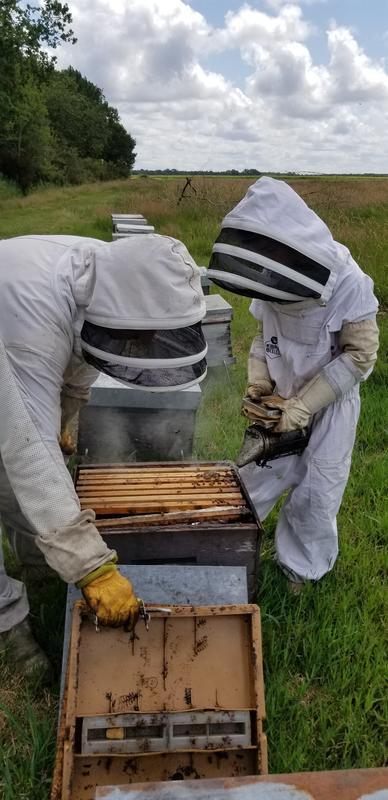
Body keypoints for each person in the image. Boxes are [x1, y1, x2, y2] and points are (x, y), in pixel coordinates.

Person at [0, 233, 207, 672]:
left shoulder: (106, 276)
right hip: (11, 330)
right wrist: (93, 568)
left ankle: (41, 570)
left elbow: (77, 365)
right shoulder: (31, 319)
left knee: (24, 485)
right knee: (22, 466)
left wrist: (63, 418)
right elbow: (26, 445)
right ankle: (8, 629)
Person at [207, 177, 379, 588]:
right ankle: (221, 549)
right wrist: (259, 384)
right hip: (279, 396)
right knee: (256, 477)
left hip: (330, 404)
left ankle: (300, 571)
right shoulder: (269, 273)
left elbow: (360, 356)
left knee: (318, 490)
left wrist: (302, 408)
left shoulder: (350, 282)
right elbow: (262, 338)